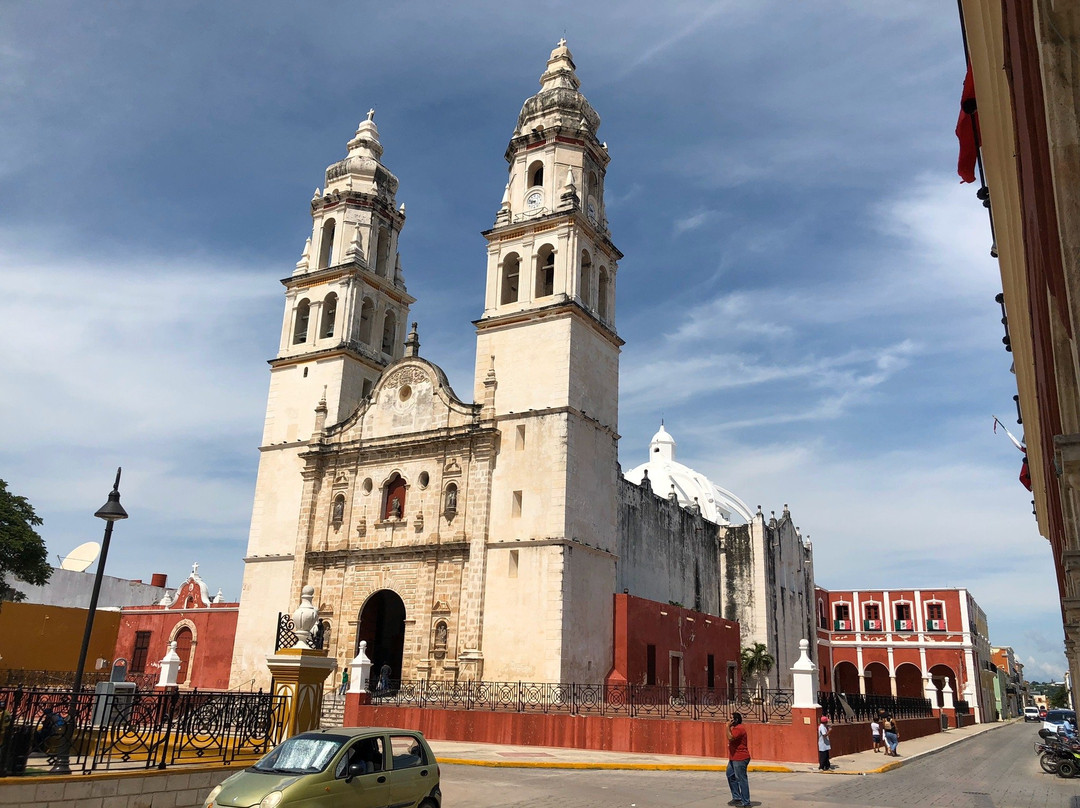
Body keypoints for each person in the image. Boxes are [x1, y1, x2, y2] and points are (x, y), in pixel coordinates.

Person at [725, 711, 751, 807]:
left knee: (741, 779)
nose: (728, 720)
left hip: (740, 758)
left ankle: (746, 802)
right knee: (730, 775)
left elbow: (730, 738)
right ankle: (737, 797)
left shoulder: (739, 729)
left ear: (735, 720)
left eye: (730, 718)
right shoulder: (735, 729)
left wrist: (727, 726)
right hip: (734, 758)